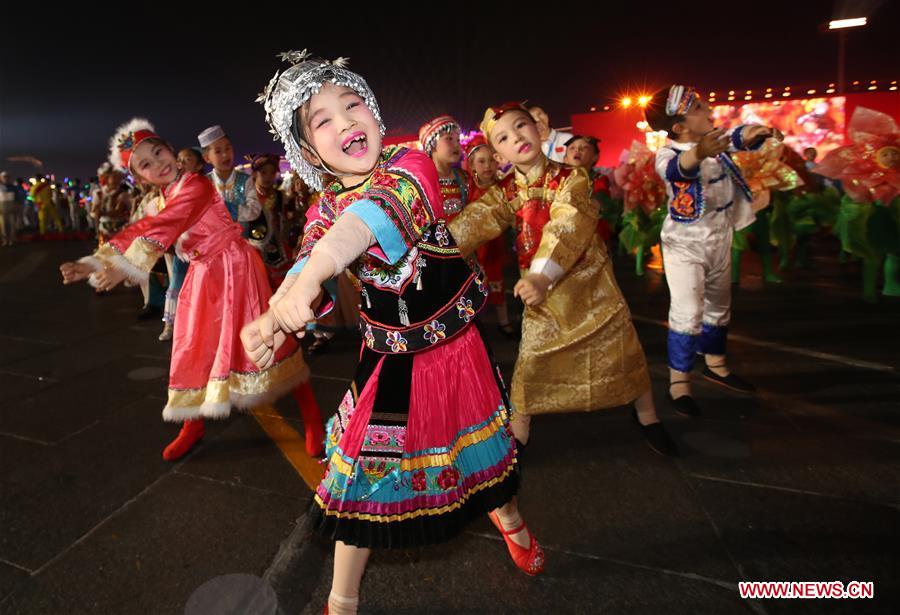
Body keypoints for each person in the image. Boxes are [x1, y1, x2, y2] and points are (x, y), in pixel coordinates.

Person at [242, 52, 543, 615]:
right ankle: (341, 601)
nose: (346, 121)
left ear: (376, 115)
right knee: (360, 480)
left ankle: (513, 524)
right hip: (392, 368)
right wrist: (279, 310)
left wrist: (308, 278)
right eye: (323, 120)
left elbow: (367, 224)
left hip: (458, 350)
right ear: (309, 152)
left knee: (487, 452)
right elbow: (316, 258)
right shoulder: (321, 209)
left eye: (353, 105)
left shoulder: (413, 167)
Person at [60, 118, 325, 461]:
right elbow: (144, 224)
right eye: (146, 164)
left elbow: (164, 225)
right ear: (139, 177)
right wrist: (94, 263)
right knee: (193, 346)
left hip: (235, 268)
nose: (158, 164)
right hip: (201, 274)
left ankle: (312, 417)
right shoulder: (160, 198)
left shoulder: (197, 186)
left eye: (159, 152)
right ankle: (193, 425)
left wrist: (116, 265)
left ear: (172, 149)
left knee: (270, 343)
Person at [449, 102, 677, 457]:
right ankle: (519, 430)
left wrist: (542, 276)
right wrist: (426, 250)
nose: (517, 138)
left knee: (622, 350)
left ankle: (648, 415)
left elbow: (567, 225)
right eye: (504, 137)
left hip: (590, 285)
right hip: (542, 293)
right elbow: (473, 222)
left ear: (539, 130)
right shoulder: (506, 191)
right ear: (498, 153)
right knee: (532, 358)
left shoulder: (572, 178)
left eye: (521, 126)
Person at [644, 85, 779, 415]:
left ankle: (716, 365)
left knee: (720, 304)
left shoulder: (716, 143)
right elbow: (678, 170)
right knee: (688, 311)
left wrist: (757, 131)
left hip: (719, 235)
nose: (709, 110)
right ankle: (680, 382)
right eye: (700, 108)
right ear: (680, 127)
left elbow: (739, 137)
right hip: (684, 244)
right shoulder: (668, 154)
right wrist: (699, 152)